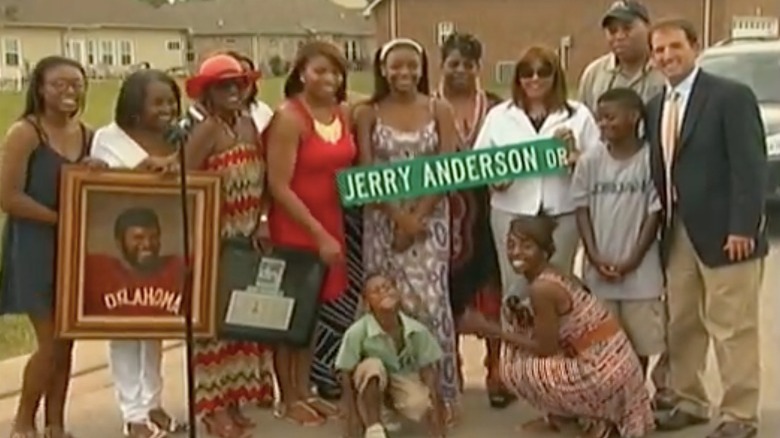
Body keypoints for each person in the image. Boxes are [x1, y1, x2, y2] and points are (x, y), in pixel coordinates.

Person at [647, 19, 767, 438]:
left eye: (674, 47)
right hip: (677, 231)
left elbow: (750, 168)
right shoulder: (656, 105)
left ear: (694, 47)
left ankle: (739, 415)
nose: (666, 56)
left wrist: (743, 227)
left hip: (727, 235)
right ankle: (689, 400)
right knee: (681, 323)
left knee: (732, 327)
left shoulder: (730, 97)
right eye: (659, 50)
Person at [458, 215, 655, 438]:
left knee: (514, 367)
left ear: (545, 251)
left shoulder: (542, 288)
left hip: (605, 373)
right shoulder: (551, 273)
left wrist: (488, 328)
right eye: (511, 245)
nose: (516, 252)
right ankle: (569, 416)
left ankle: (591, 419)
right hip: (615, 369)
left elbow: (546, 349)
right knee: (518, 328)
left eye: (527, 246)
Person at [353, 38, 460, 420]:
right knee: (385, 304)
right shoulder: (367, 112)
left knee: (430, 305)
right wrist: (399, 218)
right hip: (382, 219)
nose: (404, 73)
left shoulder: (439, 108)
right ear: (382, 70)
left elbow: (449, 165)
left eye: (412, 66)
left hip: (430, 221)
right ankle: (384, 393)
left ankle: (440, 394)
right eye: (396, 66)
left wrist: (417, 219)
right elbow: (366, 171)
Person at [0, 56, 104, 438]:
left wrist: (97, 172)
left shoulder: (89, 135)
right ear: (40, 88)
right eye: (59, 84)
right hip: (34, 247)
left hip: (74, 250)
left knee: (67, 340)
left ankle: (56, 424)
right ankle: (23, 420)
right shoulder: (25, 133)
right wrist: (61, 220)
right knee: (50, 342)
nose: (69, 91)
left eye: (76, 84)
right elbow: (8, 197)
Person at [89, 72, 187, 436]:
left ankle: (154, 404)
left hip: (161, 246)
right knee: (126, 331)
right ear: (134, 107)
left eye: (171, 101)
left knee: (154, 330)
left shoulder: (177, 137)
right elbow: (99, 188)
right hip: (123, 249)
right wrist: (138, 173)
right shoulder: (107, 138)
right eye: (158, 102)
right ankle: (132, 414)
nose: (167, 109)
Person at [183, 54, 275, 438]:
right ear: (208, 93)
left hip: (245, 234)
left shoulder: (251, 125)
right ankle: (212, 410)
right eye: (224, 86)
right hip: (212, 239)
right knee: (211, 331)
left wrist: (262, 222)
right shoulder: (205, 131)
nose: (234, 91)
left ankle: (235, 400)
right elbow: (184, 181)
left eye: (239, 84)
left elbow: (264, 181)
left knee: (240, 323)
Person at [265, 41, 356, 426]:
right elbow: (279, 186)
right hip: (298, 227)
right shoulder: (289, 117)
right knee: (290, 316)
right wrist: (318, 234)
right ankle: (287, 398)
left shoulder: (342, 113)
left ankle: (305, 391)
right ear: (301, 72)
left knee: (313, 313)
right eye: (320, 71)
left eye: (336, 72)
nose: (329, 79)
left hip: (331, 222)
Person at [473, 45, 600, 306]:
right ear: (517, 78)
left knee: (559, 286)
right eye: (527, 73)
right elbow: (478, 163)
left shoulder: (579, 115)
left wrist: (576, 159)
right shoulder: (499, 115)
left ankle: (557, 344)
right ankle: (517, 344)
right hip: (512, 211)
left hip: (561, 213)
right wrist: (495, 179)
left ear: (556, 76)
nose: (535, 79)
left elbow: (599, 164)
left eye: (543, 72)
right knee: (515, 287)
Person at [434, 32, 512, 408]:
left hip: (487, 210)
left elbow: (513, 154)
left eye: (468, 64)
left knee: (491, 289)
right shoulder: (427, 107)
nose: (461, 70)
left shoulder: (497, 108)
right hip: (438, 212)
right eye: (454, 63)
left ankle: (496, 368)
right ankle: (453, 366)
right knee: (443, 289)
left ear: (478, 68)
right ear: (442, 65)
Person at [571, 87, 665, 375]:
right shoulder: (590, 161)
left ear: (634, 117)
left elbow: (655, 214)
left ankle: (634, 400)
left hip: (641, 274)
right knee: (603, 344)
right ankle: (610, 403)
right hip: (600, 272)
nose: (604, 124)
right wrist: (594, 256)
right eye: (600, 119)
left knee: (639, 345)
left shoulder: (651, 160)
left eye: (611, 117)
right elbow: (581, 208)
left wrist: (633, 260)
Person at [336, 274, 447, 438]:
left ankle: (389, 412)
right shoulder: (357, 331)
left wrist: (437, 416)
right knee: (372, 367)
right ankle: (374, 427)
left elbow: (429, 371)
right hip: (369, 381)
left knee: (420, 404)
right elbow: (344, 371)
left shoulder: (417, 330)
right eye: (376, 291)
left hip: (401, 376)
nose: (384, 292)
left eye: (387, 287)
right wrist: (350, 413)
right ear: (367, 304)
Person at [83, 207, 186, 319]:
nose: (147, 244)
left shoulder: (177, 268)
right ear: (119, 242)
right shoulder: (97, 270)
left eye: (154, 237)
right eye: (138, 238)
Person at [578, 0, 664, 112]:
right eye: (612, 31)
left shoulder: (664, 70)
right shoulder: (594, 74)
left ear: (648, 27)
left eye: (627, 28)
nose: (619, 36)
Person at [225, 51, 274, 135]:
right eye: (235, 81)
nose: (242, 87)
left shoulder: (262, 111)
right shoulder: (207, 121)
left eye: (247, 80)